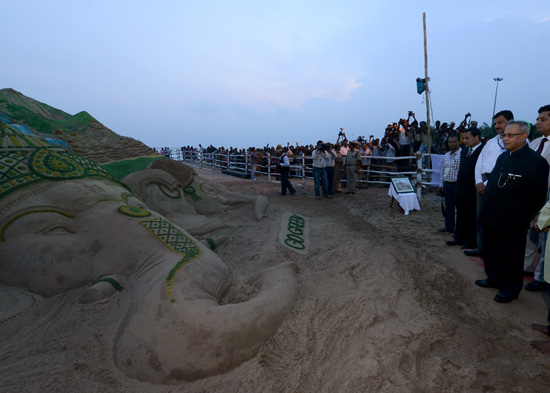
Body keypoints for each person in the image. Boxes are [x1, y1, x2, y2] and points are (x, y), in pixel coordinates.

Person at [475, 121, 549, 303]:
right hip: (491, 214)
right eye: (504, 135)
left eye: (510, 135)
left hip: (512, 220)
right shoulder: (503, 157)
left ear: (524, 136)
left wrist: (522, 216)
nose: (505, 139)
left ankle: (510, 289)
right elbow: (493, 184)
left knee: (511, 256)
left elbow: (538, 197)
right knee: (490, 251)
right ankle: (493, 278)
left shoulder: (537, 162)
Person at [466, 110, 514, 257]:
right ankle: (481, 247)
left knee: (498, 220)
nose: (497, 126)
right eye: (495, 123)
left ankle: (496, 250)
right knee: (481, 217)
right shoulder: (491, 142)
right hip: (482, 183)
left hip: (501, 184)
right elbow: (479, 163)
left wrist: (488, 183)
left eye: (500, 122)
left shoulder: (519, 143)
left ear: (510, 121)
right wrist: (479, 182)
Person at [524, 105, 550, 290]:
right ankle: (525, 267)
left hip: (548, 197)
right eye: (538, 119)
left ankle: (541, 277)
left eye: (543, 119)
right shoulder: (533, 144)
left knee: (545, 239)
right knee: (530, 235)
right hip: (529, 196)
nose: (538, 122)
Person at [453, 128, 483, 249]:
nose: (464, 141)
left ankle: (471, 242)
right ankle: (459, 238)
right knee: (461, 214)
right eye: (463, 138)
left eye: (467, 138)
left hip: (474, 189)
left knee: (472, 216)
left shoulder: (483, 150)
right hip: (461, 188)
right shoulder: (464, 151)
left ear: (476, 137)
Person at [439, 135, 461, 236]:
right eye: (450, 142)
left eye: (454, 142)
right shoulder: (446, 155)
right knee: (449, 207)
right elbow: (442, 170)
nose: (451, 144)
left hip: (457, 184)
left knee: (460, 208)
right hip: (447, 184)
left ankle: (459, 229)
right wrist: (441, 185)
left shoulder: (462, 154)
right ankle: (449, 227)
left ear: (458, 142)